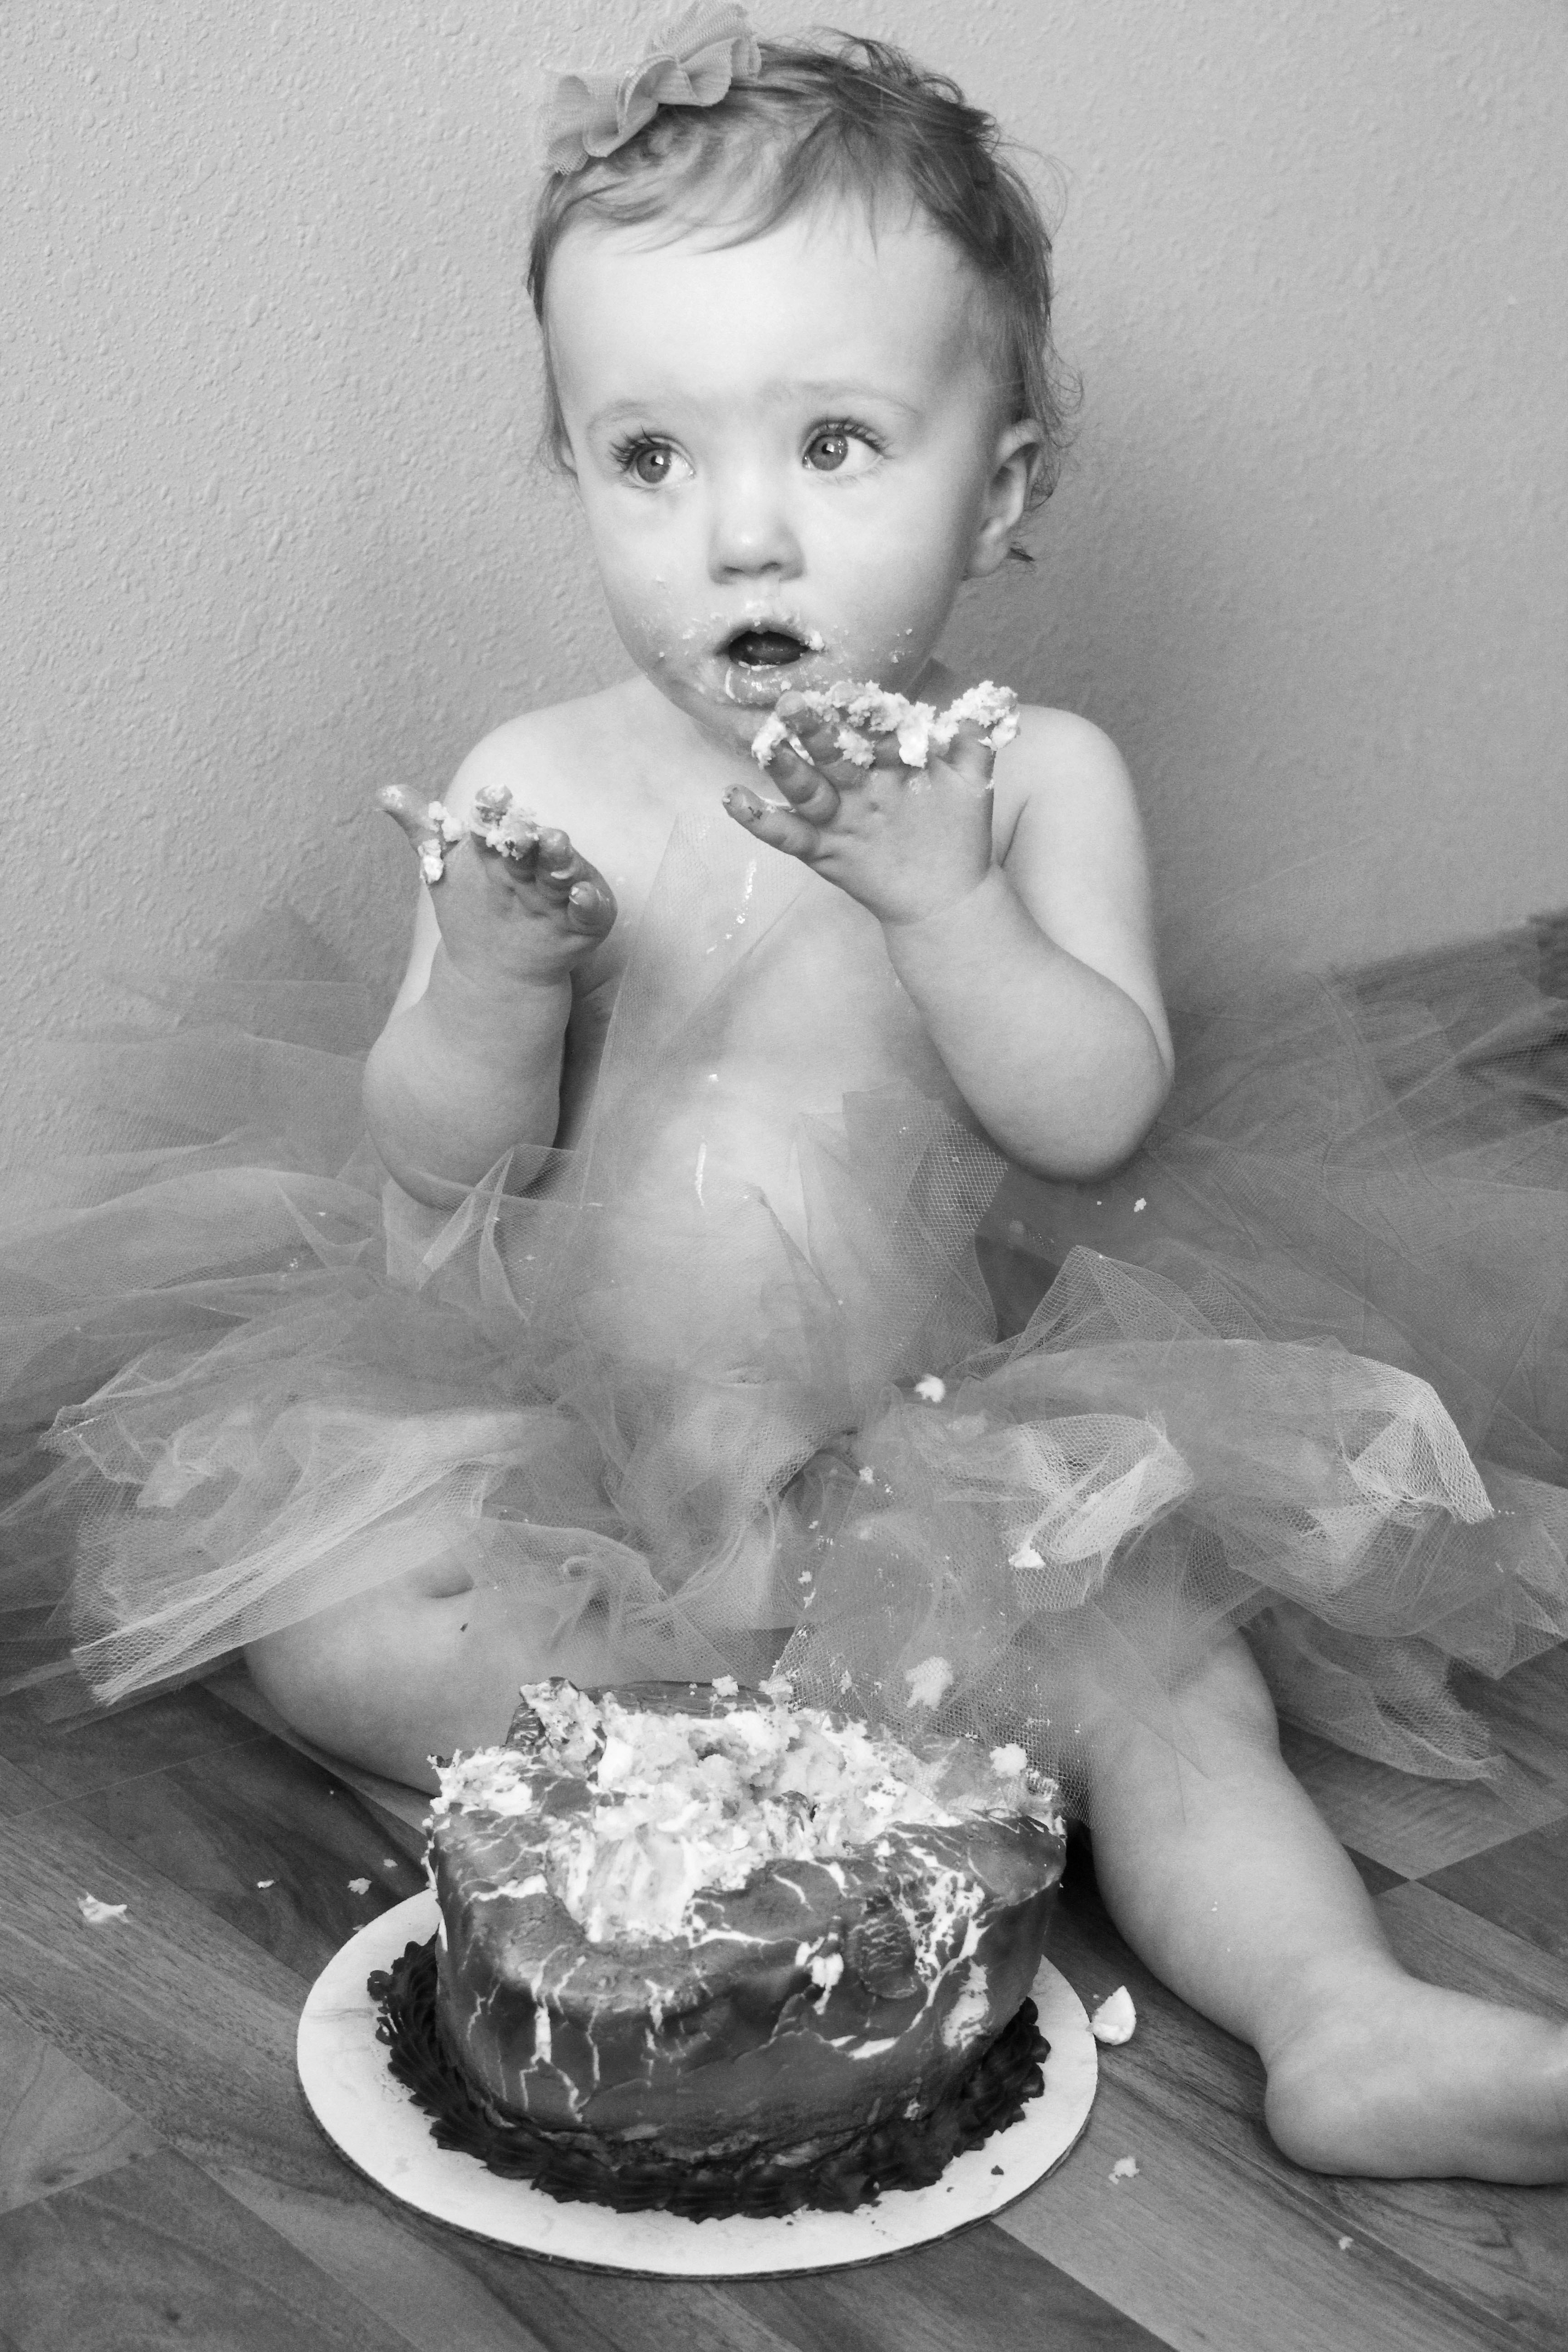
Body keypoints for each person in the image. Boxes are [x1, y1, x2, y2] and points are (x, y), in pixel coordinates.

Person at [4, 11, 1566, 2182]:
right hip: (572, 1452)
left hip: (914, 1462)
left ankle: (1339, 2015)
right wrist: (492, 977)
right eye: (650, 457)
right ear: (571, 465)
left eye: (835, 444)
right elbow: (437, 1170)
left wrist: (950, 906)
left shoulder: (1034, 781)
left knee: (1165, 1685)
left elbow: (1093, 1110)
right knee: (342, 1622)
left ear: (997, 488)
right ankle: (702, 1818)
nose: (742, 533)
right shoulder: (543, 783)